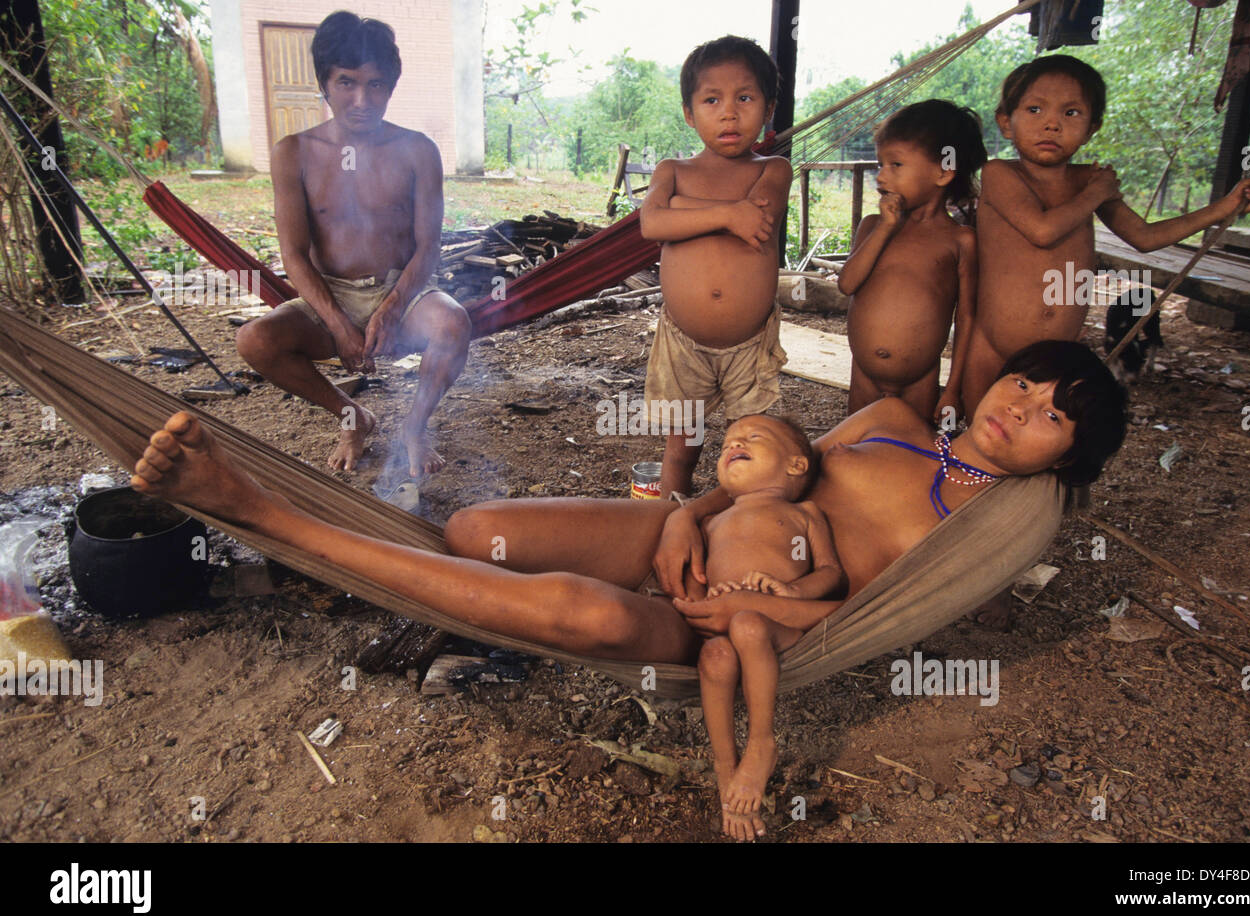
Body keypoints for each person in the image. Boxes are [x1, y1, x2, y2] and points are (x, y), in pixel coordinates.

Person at [128, 342, 1126, 835]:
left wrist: (744, 611)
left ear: (1065, 458)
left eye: (1052, 418)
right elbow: (767, 474)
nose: (1022, 409)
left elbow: (849, 616)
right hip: (685, 532)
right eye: (1025, 386)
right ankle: (443, 601)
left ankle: (266, 516)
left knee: (588, 614)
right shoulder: (888, 420)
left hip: (730, 615)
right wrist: (685, 513)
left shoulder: (989, 528)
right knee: (481, 531)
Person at [962, 55, 1250, 415]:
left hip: (1060, 355)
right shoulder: (999, 174)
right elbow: (1042, 231)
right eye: (1034, 109)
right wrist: (1097, 192)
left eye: (1071, 113)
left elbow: (1145, 237)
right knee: (978, 438)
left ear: (1092, 128)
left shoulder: (1089, 182)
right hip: (992, 346)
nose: (1051, 124)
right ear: (1006, 123)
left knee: (1040, 447)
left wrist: (1225, 206)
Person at [235, 11, 470, 475]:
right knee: (255, 341)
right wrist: (339, 324)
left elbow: (428, 248)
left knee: (454, 323)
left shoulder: (418, 151)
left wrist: (392, 306)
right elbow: (294, 258)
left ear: (390, 88)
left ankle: (414, 429)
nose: (362, 100)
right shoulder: (294, 153)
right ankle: (353, 416)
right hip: (329, 293)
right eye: (347, 83)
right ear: (324, 83)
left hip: (401, 288)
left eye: (376, 85)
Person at [639, 36, 794, 498]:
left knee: (755, 447)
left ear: (767, 109)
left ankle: (748, 526)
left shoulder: (774, 168)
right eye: (712, 100)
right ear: (689, 113)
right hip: (683, 343)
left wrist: (681, 212)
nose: (729, 113)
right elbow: (651, 223)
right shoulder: (671, 168)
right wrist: (729, 213)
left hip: (750, 346)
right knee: (682, 446)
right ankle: (671, 518)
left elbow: (758, 221)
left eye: (745, 98)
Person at [685, 414, 843, 841]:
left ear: (795, 465)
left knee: (749, 623)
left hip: (778, 626)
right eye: (726, 443)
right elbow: (696, 580)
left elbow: (830, 571)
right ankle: (725, 767)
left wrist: (793, 592)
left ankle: (762, 742)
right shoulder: (711, 522)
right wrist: (708, 599)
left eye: (753, 437)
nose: (734, 442)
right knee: (714, 657)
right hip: (724, 626)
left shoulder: (803, 514)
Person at [837, 100, 984, 424]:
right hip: (864, 374)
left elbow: (968, 318)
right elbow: (847, 284)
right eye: (880, 165)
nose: (881, 177)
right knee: (856, 454)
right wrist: (886, 228)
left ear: (943, 171)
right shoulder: (873, 226)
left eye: (896, 165)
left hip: (921, 380)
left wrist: (953, 389)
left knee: (909, 457)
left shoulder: (960, 241)